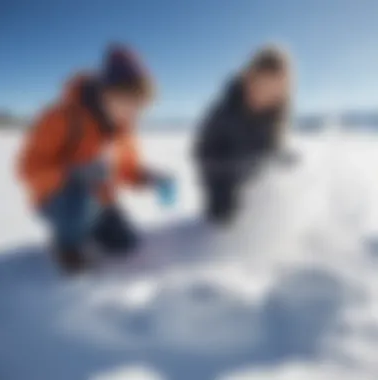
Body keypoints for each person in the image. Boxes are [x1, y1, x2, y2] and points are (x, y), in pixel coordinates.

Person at [17, 44, 172, 273]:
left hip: (100, 199)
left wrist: (149, 177)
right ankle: (67, 246)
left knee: (125, 243)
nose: (134, 114)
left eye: (139, 108)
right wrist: (71, 171)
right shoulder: (61, 117)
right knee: (81, 202)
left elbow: (126, 169)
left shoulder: (123, 129)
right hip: (58, 199)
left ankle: (87, 226)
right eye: (129, 103)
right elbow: (27, 168)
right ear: (107, 93)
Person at [194, 46, 291, 223]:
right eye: (260, 86)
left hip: (257, 181)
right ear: (249, 80)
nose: (263, 96)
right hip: (223, 185)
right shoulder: (223, 112)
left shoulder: (275, 115)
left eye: (273, 90)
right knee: (225, 219)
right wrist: (234, 167)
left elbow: (274, 148)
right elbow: (202, 154)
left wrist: (283, 161)